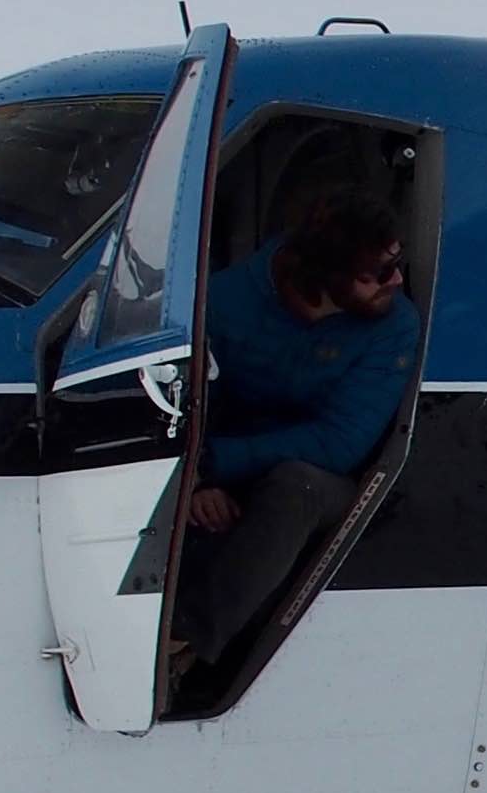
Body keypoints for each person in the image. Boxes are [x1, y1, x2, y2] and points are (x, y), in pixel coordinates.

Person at [175, 186, 423, 666]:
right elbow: (187, 407)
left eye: (397, 263)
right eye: (378, 273)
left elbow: (339, 443)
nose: (396, 280)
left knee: (296, 486)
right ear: (326, 274)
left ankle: (184, 647)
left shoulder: (394, 326)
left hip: (313, 479)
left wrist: (216, 462)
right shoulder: (223, 305)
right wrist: (197, 480)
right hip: (213, 466)